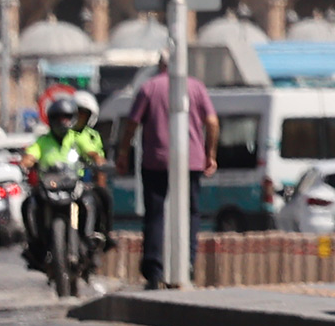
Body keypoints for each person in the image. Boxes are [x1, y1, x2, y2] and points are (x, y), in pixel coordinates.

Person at [119, 64, 214, 289]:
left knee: (155, 213)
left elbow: (132, 123)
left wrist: (123, 152)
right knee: (190, 212)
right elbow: (212, 122)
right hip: (191, 160)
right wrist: (210, 153)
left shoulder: (149, 88)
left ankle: (154, 269)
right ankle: (187, 263)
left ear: (161, 65)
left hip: (156, 160)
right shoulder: (196, 87)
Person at [24, 94, 112, 266]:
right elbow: (31, 155)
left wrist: (97, 159)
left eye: (66, 118)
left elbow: (91, 152)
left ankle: (91, 237)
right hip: (49, 186)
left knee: (90, 201)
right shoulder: (43, 141)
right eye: (57, 118)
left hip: (73, 184)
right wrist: (26, 162)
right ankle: (35, 244)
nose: (62, 122)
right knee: (29, 204)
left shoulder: (77, 138)